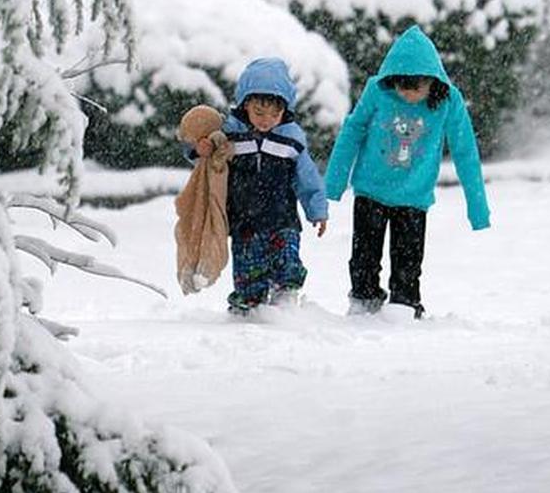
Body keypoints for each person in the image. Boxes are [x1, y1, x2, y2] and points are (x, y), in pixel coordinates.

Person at [323, 22, 490, 319]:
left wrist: (478, 208)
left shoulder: (448, 101)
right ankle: (363, 300)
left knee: (408, 260)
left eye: (417, 87)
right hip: (371, 191)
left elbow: (465, 152)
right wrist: (334, 184)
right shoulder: (378, 90)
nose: (409, 94)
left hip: (414, 197)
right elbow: (352, 132)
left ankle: (405, 304)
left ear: (433, 80)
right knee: (363, 258)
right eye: (402, 86)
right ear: (392, 78)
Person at [182, 56, 328, 316]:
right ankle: (248, 308)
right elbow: (200, 149)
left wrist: (317, 209)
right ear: (245, 103)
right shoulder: (230, 132)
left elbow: (307, 176)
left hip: (282, 218)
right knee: (250, 273)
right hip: (244, 220)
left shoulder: (290, 138)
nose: (266, 120)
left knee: (287, 260)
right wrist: (198, 148)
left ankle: (285, 300)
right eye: (259, 112)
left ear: (285, 110)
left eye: (275, 113)